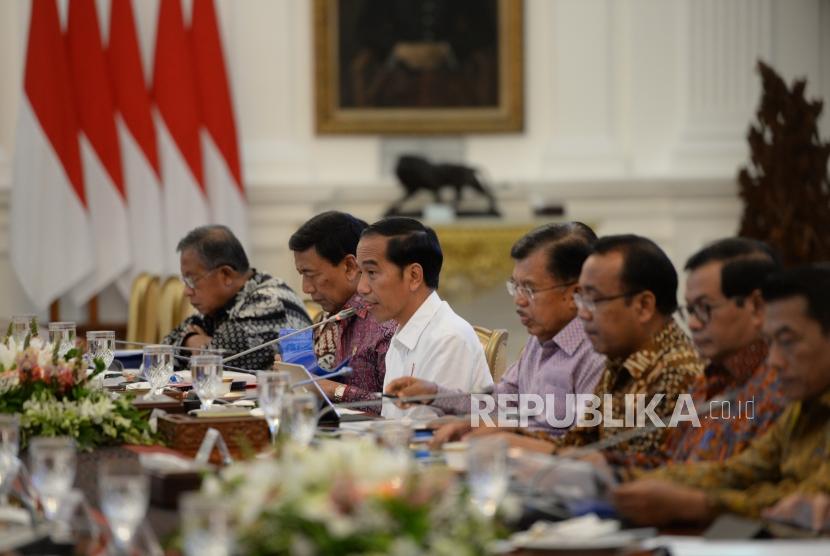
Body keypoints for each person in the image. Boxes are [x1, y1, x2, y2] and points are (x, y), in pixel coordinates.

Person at [614, 265, 830, 526]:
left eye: (788, 340)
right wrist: (624, 480)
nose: (774, 361)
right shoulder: (802, 405)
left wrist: (695, 505)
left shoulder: (781, 392)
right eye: (770, 342)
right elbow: (738, 472)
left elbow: (804, 499)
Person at [475, 234, 704, 456]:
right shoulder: (622, 359)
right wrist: (508, 434)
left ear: (643, 306)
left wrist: (515, 442)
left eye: (593, 300)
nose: (582, 314)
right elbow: (582, 442)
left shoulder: (676, 372)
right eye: (581, 299)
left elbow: (627, 472)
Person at [385, 222, 605, 440]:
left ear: (575, 293)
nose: (518, 300)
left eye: (529, 289)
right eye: (515, 286)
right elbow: (498, 404)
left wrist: (506, 431)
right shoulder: (540, 340)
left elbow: (583, 445)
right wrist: (434, 393)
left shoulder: (598, 353)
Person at [604, 237, 786, 471]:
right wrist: (605, 465)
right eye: (689, 310)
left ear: (757, 307)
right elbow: (669, 464)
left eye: (704, 308)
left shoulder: (783, 386)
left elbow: (747, 486)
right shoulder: (707, 381)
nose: (692, 323)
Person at [355, 217, 493, 419]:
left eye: (372, 272)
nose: (361, 288)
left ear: (414, 276)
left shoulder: (448, 337)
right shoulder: (402, 331)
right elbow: (392, 422)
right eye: (361, 273)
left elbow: (426, 433)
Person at [288, 211, 395, 411]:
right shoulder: (327, 319)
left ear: (349, 266)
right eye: (302, 275)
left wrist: (330, 389)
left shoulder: (386, 323)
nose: (306, 288)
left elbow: (395, 407)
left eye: (310, 274)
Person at [163, 225, 310, 371]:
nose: (186, 291)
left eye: (192, 281)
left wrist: (195, 346)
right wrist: (191, 340)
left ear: (225, 275)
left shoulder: (268, 302)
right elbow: (162, 354)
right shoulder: (223, 304)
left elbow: (210, 369)